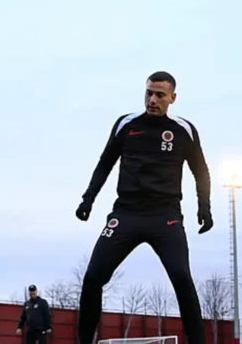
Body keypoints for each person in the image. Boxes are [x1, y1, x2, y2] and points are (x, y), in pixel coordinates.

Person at [75, 71, 213, 344]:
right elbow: (105, 164)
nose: (152, 100)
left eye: (160, 95)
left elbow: (201, 171)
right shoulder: (126, 125)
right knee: (92, 277)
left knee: (182, 278)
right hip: (126, 214)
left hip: (166, 218)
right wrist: (88, 199)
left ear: (172, 98)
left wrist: (204, 208)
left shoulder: (183, 130)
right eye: (149, 93)